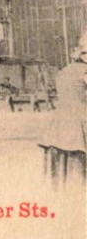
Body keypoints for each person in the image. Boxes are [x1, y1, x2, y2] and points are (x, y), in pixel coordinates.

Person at [40, 32, 87, 182]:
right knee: (78, 179)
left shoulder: (64, 72)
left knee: (60, 177)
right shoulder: (84, 73)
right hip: (80, 128)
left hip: (58, 126)